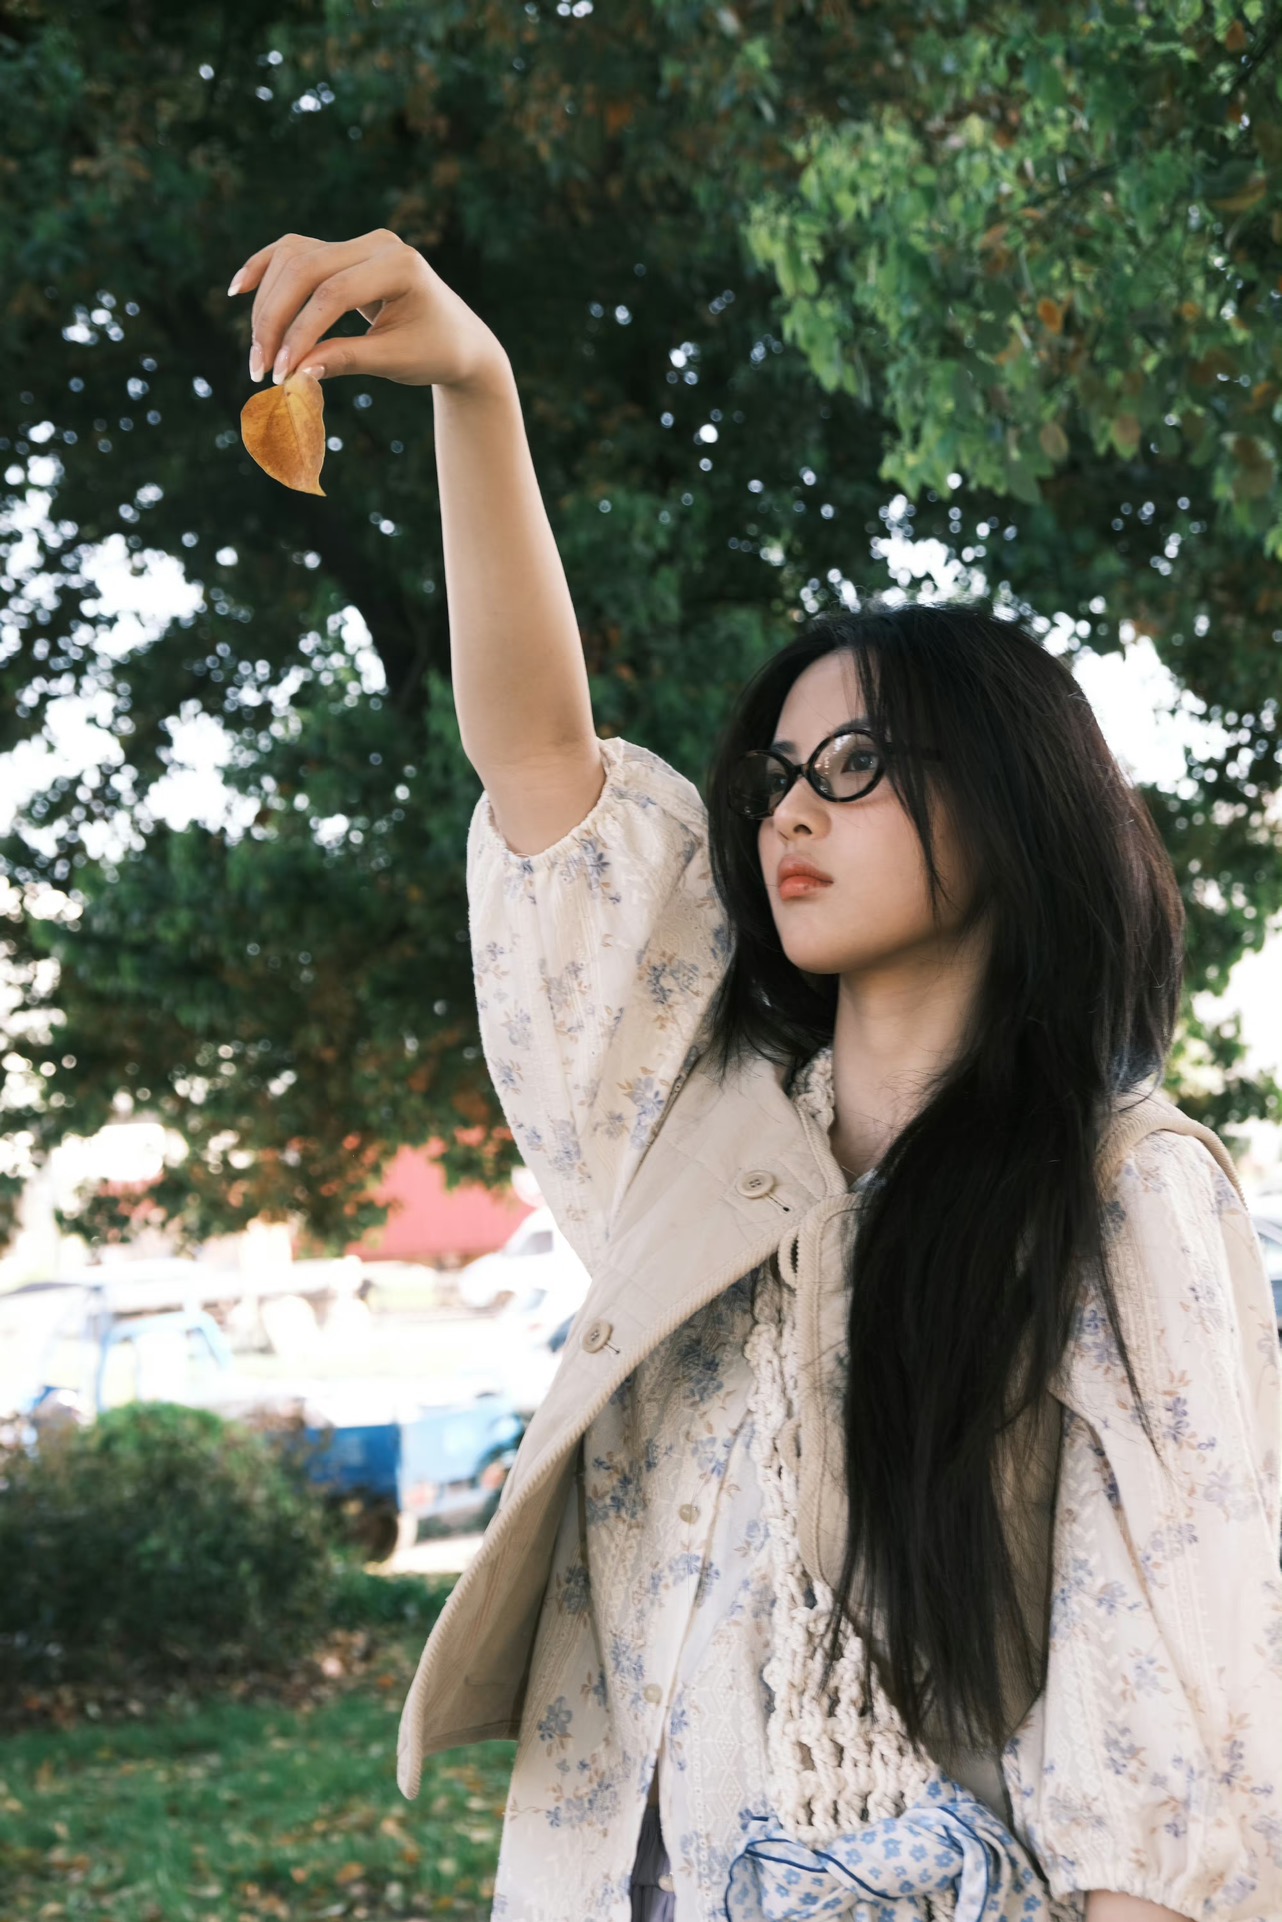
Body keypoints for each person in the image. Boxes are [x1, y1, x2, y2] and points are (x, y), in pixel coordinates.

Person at [230, 232, 1282, 1922]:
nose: (790, 806)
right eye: (778, 771)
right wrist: (475, 389)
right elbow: (540, 765)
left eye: (855, 764)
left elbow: (1175, 1715)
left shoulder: (1118, 1193)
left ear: (1013, 801)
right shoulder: (691, 1119)